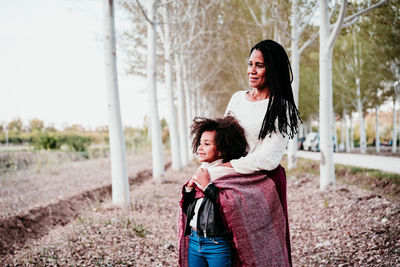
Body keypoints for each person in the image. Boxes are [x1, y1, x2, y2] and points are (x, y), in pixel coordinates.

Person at [186, 40, 300, 266]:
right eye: (250, 64)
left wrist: (222, 170)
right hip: (226, 173)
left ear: (273, 69)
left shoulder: (280, 108)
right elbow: (223, 139)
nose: (252, 70)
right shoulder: (238, 98)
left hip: (257, 181)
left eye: (260, 65)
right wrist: (209, 162)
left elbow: (268, 158)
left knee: (257, 252)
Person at [179, 116, 248, 267]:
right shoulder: (202, 171)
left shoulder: (229, 175)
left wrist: (207, 187)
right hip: (195, 240)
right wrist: (189, 189)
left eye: (207, 144)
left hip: (217, 244)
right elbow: (189, 210)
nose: (200, 148)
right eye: (200, 143)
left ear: (221, 151)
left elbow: (230, 207)